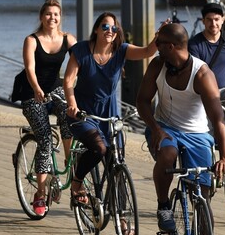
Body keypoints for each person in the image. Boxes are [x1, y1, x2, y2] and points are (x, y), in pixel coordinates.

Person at [136, 23, 225, 235]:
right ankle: (164, 206)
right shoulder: (157, 66)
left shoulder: (202, 75)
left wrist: (224, 155)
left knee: (203, 199)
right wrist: (154, 128)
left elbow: (218, 118)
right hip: (164, 128)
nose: (155, 48)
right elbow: (142, 101)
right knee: (167, 154)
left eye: (159, 43)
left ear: (172, 47)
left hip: (197, 134)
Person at [63, 13, 163, 217]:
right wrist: (72, 105)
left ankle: (123, 217)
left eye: (114, 28)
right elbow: (68, 80)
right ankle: (77, 181)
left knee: (117, 165)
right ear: (97, 29)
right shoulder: (81, 50)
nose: (110, 31)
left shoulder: (121, 51)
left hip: (110, 114)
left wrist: (158, 38)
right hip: (83, 113)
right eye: (105, 26)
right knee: (99, 148)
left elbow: (147, 52)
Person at [18, 0, 77, 216]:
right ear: (41, 17)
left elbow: (82, 59)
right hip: (32, 92)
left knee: (71, 118)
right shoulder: (32, 40)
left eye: (56, 14)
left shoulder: (68, 39)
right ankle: (40, 193)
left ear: (60, 17)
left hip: (55, 89)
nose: (52, 18)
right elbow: (29, 69)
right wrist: (35, 88)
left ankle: (68, 160)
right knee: (44, 141)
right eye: (48, 14)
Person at [188, 2, 225, 135]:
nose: (213, 24)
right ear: (203, 21)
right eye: (209, 20)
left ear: (222, 19)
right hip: (203, 93)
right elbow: (195, 73)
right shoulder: (194, 44)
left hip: (224, 90)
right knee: (207, 131)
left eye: (216, 19)